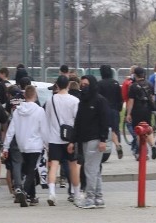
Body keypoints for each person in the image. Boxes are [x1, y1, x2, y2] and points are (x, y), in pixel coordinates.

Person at [2, 85, 47, 207]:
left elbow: (11, 130)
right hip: (35, 144)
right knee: (31, 170)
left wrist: (5, 147)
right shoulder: (39, 111)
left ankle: (31, 196)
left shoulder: (17, 111)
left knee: (27, 169)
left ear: (24, 96)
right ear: (35, 95)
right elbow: (44, 130)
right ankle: (24, 191)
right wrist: (47, 144)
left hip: (22, 144)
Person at [73, 74, 110, 209]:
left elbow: (104, 121)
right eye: (82, 85)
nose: (83, 87)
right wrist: (74, 140)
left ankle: (90, 198)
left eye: (86, 85)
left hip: (95, 139)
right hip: (85, 139)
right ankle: (98, 197)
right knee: (94, 170)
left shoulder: (99, 101)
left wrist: (103, 139)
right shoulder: (83, 101)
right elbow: (78, 121)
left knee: (90, 169)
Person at [44, 75, 80, 205]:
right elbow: (77, 121)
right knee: (73, 166)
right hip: (69, 139)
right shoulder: (74, 100)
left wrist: (46, 141)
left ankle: (52, 193)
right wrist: (74, 140)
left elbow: (47, 120)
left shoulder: (50, 101)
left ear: (57, 85)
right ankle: (76, 194)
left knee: (53, 165)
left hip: (54, 138)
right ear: (68, 85)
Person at [125, 67, 156, 160]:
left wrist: (128, 114)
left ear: (135, 75)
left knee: (139, 131)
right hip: (147, 110)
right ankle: (153, 145)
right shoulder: (150, 84)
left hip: (137, 110)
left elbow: (131, 101)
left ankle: (142, 153)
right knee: (148, 128)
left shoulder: (133, 86)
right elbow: (152, 97)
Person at [98, 65, 124, 159]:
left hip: (104, 110)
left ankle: (104, 149)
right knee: (114, 129)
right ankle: (117, 144)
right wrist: (119, 108)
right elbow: (120, 98)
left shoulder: (100, 84)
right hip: (114, 110)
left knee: (105, 129)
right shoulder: (116, 83)